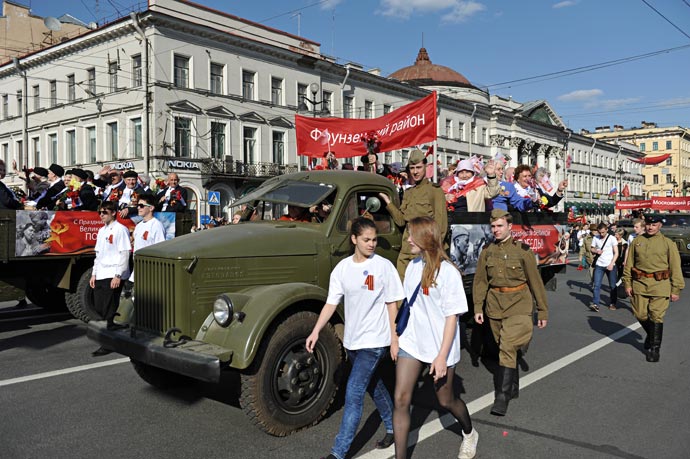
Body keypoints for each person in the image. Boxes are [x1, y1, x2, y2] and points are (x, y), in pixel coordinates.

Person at [306, 217, 403, 459]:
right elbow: (331, 303)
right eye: (366, 240)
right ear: (354, 240)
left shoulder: (383, 266)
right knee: (374, 385)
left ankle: (338, 453)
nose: (372, 244)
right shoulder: (342, 269)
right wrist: (316, 330)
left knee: (354, 393)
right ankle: (393, 427)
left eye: (374, 240)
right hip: (353, 341)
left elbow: (393, 304)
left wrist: (394, 338)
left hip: (375, 341)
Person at [393, 216, 478, 459]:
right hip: (412, 342)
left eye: (412, 235)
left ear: (426, 238)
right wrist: (397, 338)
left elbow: (452, 318)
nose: (408, 239)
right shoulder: (412, 266)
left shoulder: (448, 273)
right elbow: (407, 306)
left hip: (441, 346)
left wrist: (441, 357)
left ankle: (470, 433)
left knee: (446, 400)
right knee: (400, 399)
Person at [473, 209, 548, 416]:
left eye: (500, 226)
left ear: (509, 227)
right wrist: (478, 307)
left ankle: (502, 396)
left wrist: (542, 311)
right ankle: (513, 387)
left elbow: (536, 282)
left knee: (507, 346)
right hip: (495, 306)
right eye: (493, 226)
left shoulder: (522, 251)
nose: (495, 230)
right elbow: (480, 282)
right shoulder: (487, 251)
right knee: (503, 348)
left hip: (519, 305)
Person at [623, 214, 684, 362]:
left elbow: (675, 267)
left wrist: (676, 289)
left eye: (654, 225)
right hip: (640, 283)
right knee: (640, 314)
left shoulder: (668, 243)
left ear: (660, 226)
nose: (650, 227)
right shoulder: (637, 241)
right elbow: (629, 264)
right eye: (648, 225)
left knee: (656, 315)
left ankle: (655, 349)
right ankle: (652, 335)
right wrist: (627, 283)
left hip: (660, 284)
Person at [379, 149, 448, 278]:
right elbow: (401, 221)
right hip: (407, 249)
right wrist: (388, 202)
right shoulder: (408, 192)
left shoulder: (434, 191)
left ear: (425, 167)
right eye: (412, 168)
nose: (415, 171)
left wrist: (433, 251)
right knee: (402, 289)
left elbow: (441, 225)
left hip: (424, 249)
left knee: (422, 290)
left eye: (418, 167)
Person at [90, 201, 132, 356]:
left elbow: (124, 253)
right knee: (99, 307)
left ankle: (107, 344)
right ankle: (114, 331)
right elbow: (98, 254)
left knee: (107, 309)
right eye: (100, 212)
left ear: (113, 212)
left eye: (104, 212)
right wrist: (94, 274)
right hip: (101, 273)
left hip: (113, 273)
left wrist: (118, 275)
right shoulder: (101, 231)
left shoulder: (120, 229)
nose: (101, 215)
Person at [493, 165, 567, 212]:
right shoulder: (511, 189)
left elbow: (551, 202)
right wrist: (529, 204)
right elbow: (509, 207)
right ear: (518, 178)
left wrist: (559, 189)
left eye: (529, 176)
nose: (528, 179)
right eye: (525, 176)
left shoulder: (535, 190)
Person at [129, 194, 166, 284]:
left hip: (150, 271)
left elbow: (161, 250)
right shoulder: (139, 225)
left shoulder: (156, 225)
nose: (138, 208)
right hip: (137, 269)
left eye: (141, 206)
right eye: (138, 205)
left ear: (151, 208)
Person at [589, 222, 618, 312]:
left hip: (610, 265)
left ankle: (612, 303)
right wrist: (596, 251)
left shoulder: (612, 238)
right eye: (599, 232)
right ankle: (595, 304)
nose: (601, 234)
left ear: (606, 230)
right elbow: (592, 248)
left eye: (603, 232)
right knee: (596, 285)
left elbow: (616, 253)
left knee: (613, 285)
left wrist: (611, 264)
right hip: (599, 264)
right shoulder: (595, 238)